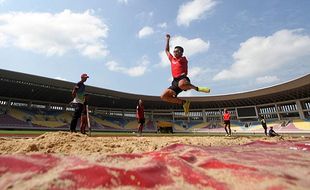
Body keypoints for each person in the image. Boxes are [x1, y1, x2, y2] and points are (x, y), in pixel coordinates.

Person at [160, 34, 210, 116]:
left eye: (177, 51)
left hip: (183, 78)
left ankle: (197, 88)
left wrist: (184, 73)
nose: (175, 52)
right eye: (174, 51)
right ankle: (184, 103)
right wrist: (168, 40)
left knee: (182, 84)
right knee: (163, 96)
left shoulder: (183, 59)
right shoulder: (172, 59)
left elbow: (184, 68)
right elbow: (166, 50)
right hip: (175, 81)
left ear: (181, 52)